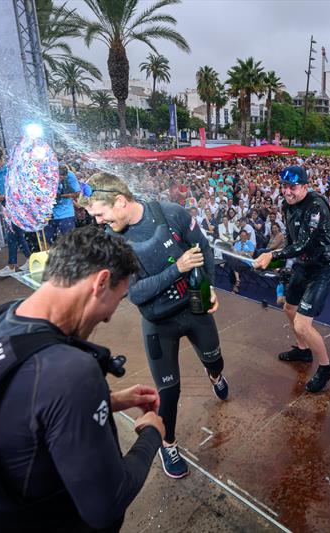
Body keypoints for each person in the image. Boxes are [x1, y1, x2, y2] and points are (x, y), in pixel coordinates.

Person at [0, 226, 165, 532]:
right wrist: (150, 436)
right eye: (117, 301)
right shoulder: (69, 373)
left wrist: (110, 401)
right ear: (101, 282)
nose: (108, 318)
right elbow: (106, 504)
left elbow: (17, 418)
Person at [83, 171, 228, 480]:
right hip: (158, 323)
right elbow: (136, 293)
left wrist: (209, 289)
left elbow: (204, 249)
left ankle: (214, 375)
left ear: (120, 201)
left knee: (216, 361)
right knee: (169, 392)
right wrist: (178, 268)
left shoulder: (170, 213)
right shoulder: (112, 241)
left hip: (195, 308)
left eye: (100, 214)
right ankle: (168, 443)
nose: (98, 221)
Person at [254, 165, 330, 393]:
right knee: (289, 308)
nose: (287, 192)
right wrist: (278, 262)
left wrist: (272, 254)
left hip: (323, 267)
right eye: (284, 187)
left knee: (303, 323)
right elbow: (293, 242)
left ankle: (325, 366)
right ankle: (302, 349)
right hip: (304, 264)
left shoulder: (316, 207)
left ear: (305, 186)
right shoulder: (286, 206)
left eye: (292, 187)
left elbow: (304, 243)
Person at [45, 164, 80, 244]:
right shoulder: (45, 172)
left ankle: (71, 256)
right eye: (59, 177)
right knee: (46, 241)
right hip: (48, 213)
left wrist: (61, 195)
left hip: (66, 213)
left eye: (62, 177)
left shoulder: (70, 176)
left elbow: (77, 193)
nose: (60, 179)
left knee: (70, 241)